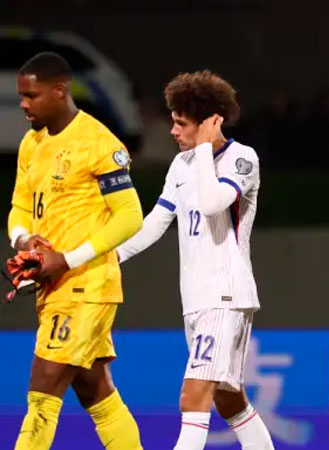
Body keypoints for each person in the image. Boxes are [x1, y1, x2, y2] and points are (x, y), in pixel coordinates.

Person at [115, 70, 273, 450]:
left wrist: (203, 149)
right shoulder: (181, 165)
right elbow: (156, 222)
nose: (173, 130)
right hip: (196, 299)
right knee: (230, 400)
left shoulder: (241, 159)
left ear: (210, 122)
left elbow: (212, 203)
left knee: (193, 396)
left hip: (225, 295)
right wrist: (109, 257)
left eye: (181, 123)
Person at [7, 52, 144, 449]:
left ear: (60, 90)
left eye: (31, 95)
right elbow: (19, 206)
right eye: (21, 95)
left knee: (43, 389)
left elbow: (130, 216)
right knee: (96, 392)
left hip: (86, 286)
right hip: (53, 288)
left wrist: (66, 259)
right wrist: (23, 239)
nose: (23, 104)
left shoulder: (98, 143)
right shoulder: (31, 143)